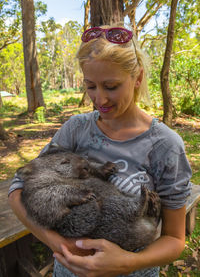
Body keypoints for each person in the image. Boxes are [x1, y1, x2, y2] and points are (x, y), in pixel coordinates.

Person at [8, 24, 192, 277]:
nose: (100, 99)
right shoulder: (76, 129)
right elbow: (18, 188)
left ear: (137, 78)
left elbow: (174, 239)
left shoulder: (165, 146)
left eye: (111, 86)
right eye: (91, 86)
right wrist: (58, 243)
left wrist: (126, 262)